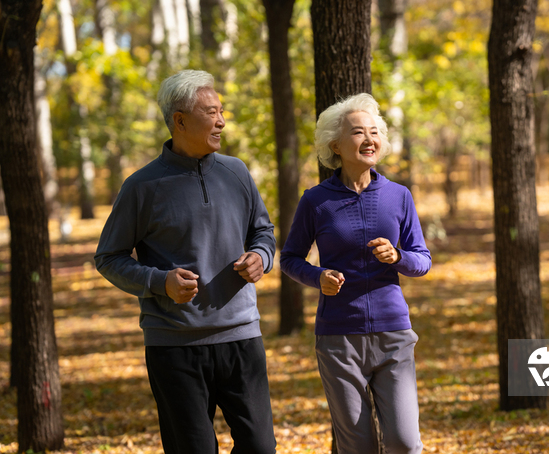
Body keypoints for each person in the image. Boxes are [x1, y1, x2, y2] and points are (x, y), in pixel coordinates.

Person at [95, 70, 277, 454]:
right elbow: (108, 258)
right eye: (211, 112)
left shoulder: (237, 172)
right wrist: (160, 282)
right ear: (179, 120)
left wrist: (261, 258)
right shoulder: (141, 187)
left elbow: (263, 232)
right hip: (173, 346)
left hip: (242, 337)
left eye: (221, 111)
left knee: (261, 448)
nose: (221, 121)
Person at [280, 93, 431, 454]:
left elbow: (422, 260)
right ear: (335, 144)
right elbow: (289, 258)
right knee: (358, 447)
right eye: (359, 132)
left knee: (405, 443)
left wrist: (397, 256)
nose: (370, 139)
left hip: (393, 334)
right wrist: (318, 277)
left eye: (375, 131)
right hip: (338, 338)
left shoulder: (399, 196)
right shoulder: (315, 200)